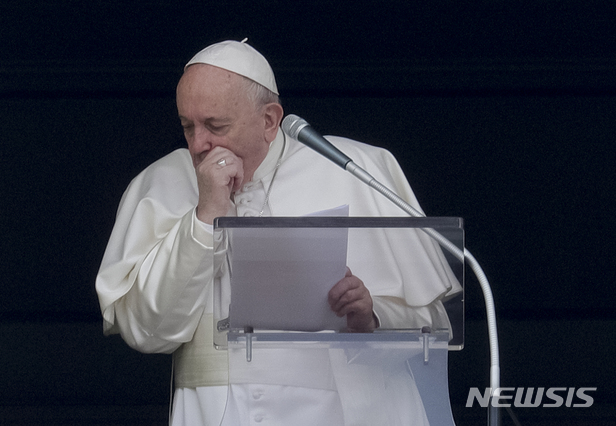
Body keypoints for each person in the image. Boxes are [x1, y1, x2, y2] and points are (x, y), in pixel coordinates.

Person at [96, 39, 461, 426]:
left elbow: (431, 323)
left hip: (348, 413)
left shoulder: (356, 169)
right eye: (188, 127)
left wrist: (371, 319)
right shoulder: (161, 182)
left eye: (215, 126)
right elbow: (146, 331)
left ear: (269, 120)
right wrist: (205, 216)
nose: (199, 145)